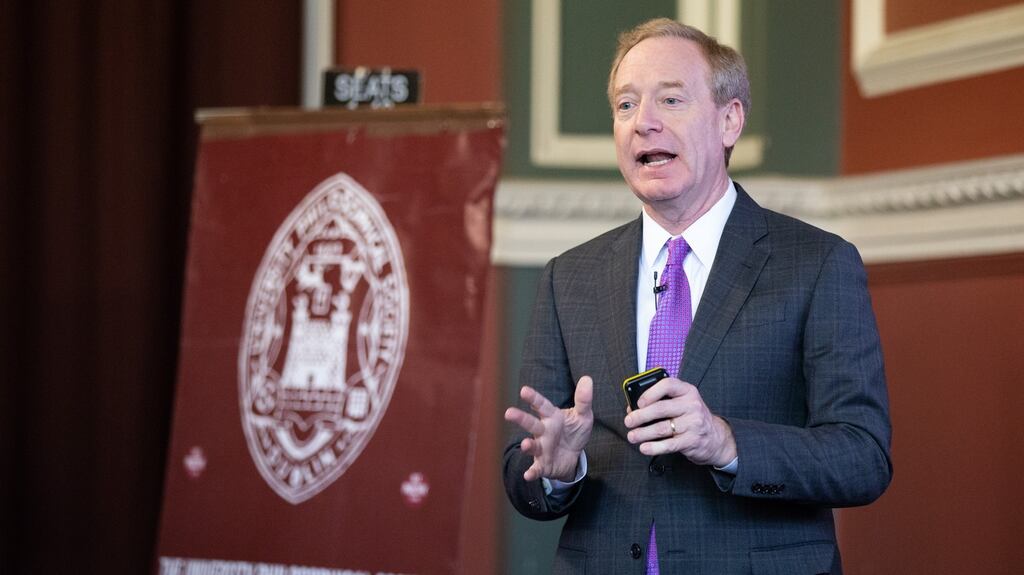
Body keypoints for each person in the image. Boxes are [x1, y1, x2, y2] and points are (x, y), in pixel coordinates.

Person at [503, 18, 892, 574]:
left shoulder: (818, 264)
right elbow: (524, 476)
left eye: (670, 99)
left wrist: (725, 442)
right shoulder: (569, 277)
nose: (645, 124)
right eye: (626, 106)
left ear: (729, 119)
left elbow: (863, 457)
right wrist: (563, 470)